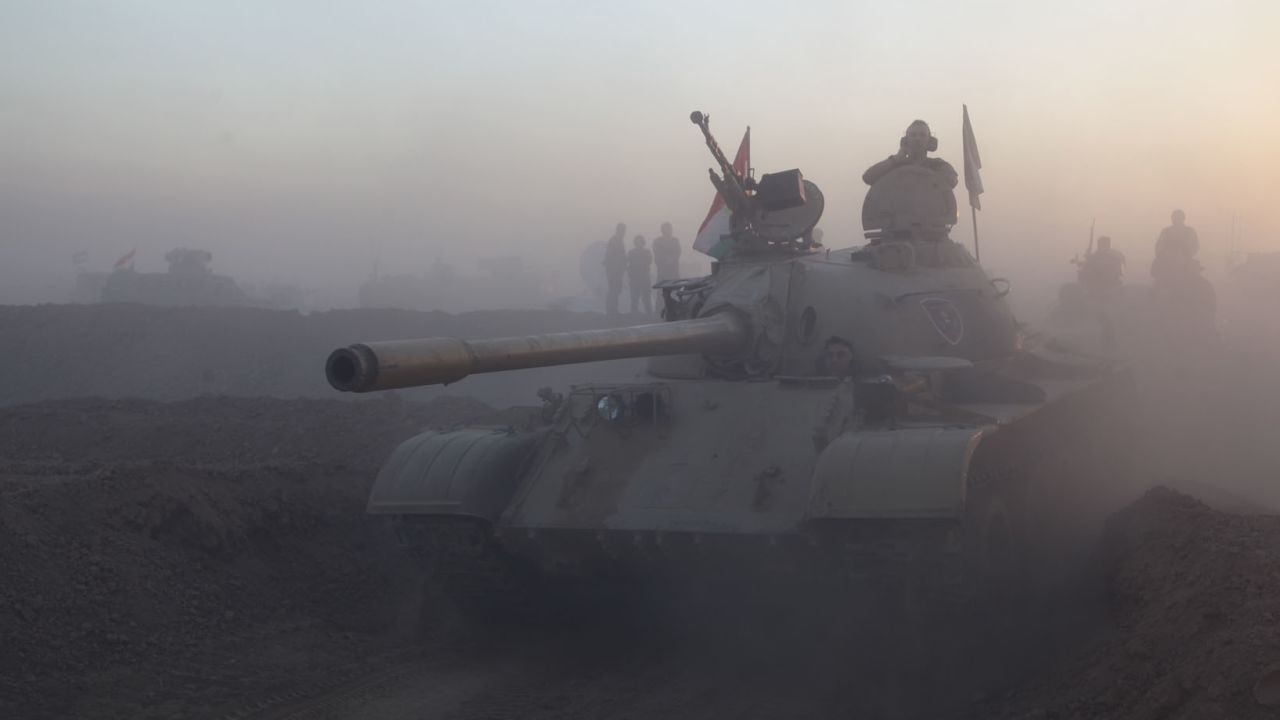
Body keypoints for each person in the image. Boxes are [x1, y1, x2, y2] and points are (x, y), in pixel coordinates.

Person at [862, 120, 958, 188]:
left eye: (922, 135)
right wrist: (895, 160)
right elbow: (868, 177)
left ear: (930, 141)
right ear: (905, 141)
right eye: (913, 135)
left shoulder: (937, 165)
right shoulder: (894, 165)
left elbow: (952, 180)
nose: (917, 138)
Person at [1151, 209, 1200, 283]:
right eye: (1175, 217)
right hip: (1167, 262)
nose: (1176, 220)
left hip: (1185, 262)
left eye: (1178, 217)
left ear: (1183, 218)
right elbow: (1159, 247)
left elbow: (1194, 246)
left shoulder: (1189, 231)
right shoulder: (1166, 231)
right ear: (1172, 219)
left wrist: (1184, 255)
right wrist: (1164, 255)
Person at [602, 223, 627, 315]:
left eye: (624, 230)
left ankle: (613, 309)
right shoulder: (615, 240)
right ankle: (611, 310)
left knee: (616, 289)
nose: (624, 232)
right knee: (614, 289)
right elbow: (613, 257)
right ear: (618, 230)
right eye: (623, 230)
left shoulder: (619, 240)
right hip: (614, 271)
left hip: (617, 270)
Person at [626, 235, 653, 315]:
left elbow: (648, 261)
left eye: (640, 242)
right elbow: (627, 263)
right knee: (634, 298)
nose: (639, 243)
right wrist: (630, 272)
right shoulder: (631, 252)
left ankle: (649, 315)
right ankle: (634, 315)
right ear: (635, 243)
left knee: (647, 299)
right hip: (635, 279)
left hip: (645, 278)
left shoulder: (647, 252)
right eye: (637, 242)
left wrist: (636, 264)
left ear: (643, 242)